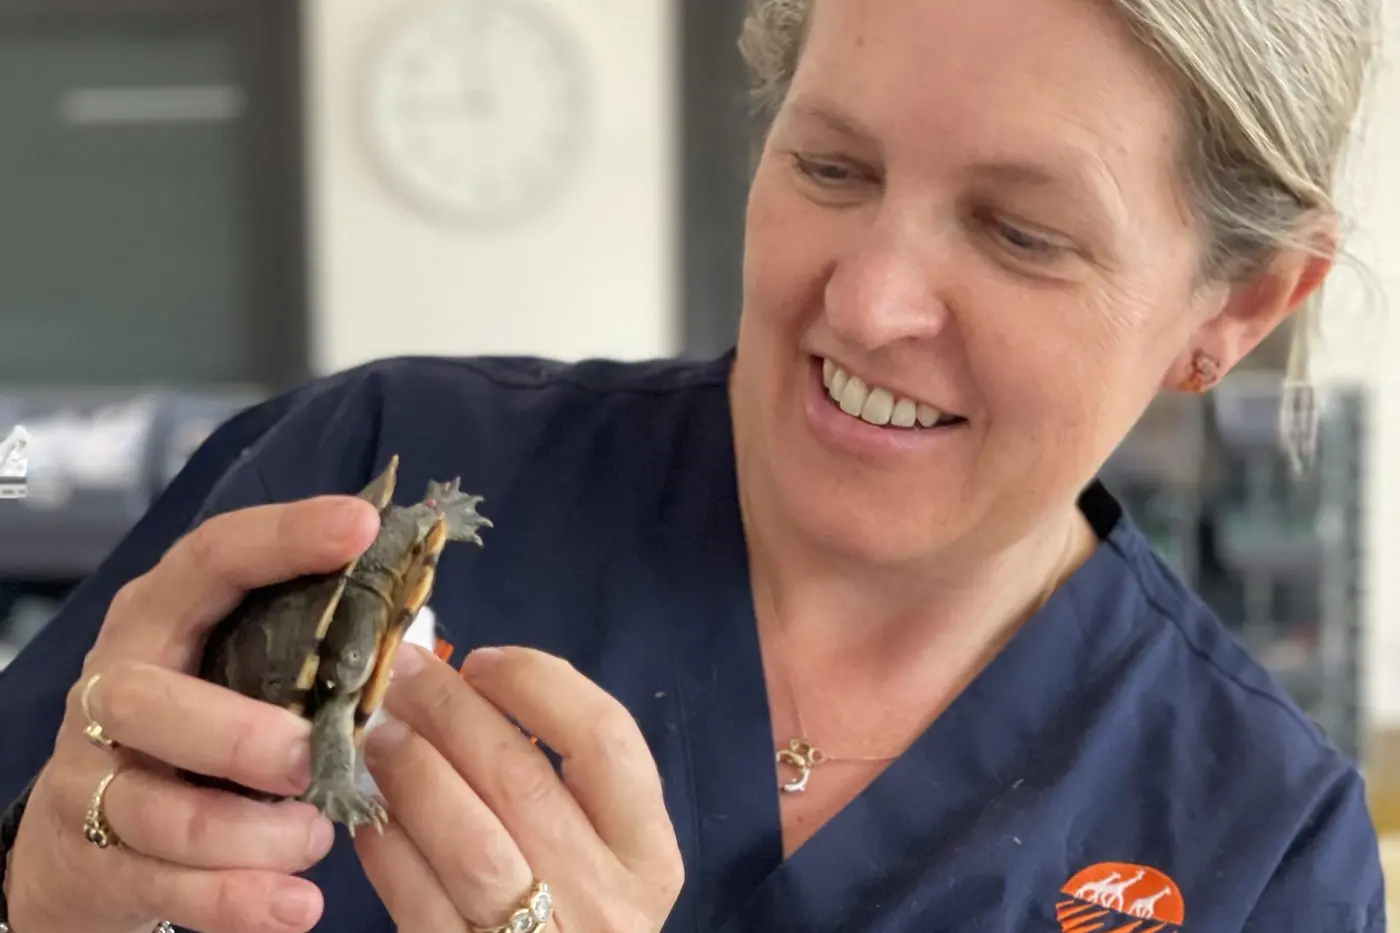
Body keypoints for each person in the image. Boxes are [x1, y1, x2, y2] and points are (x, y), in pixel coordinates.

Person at [0, 0, 1387, 929]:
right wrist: (33, 889)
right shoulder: (380, 468)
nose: (866, 302)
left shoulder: (1258, 844)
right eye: (833, 169)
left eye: (1021, 234)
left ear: (1237, 306)